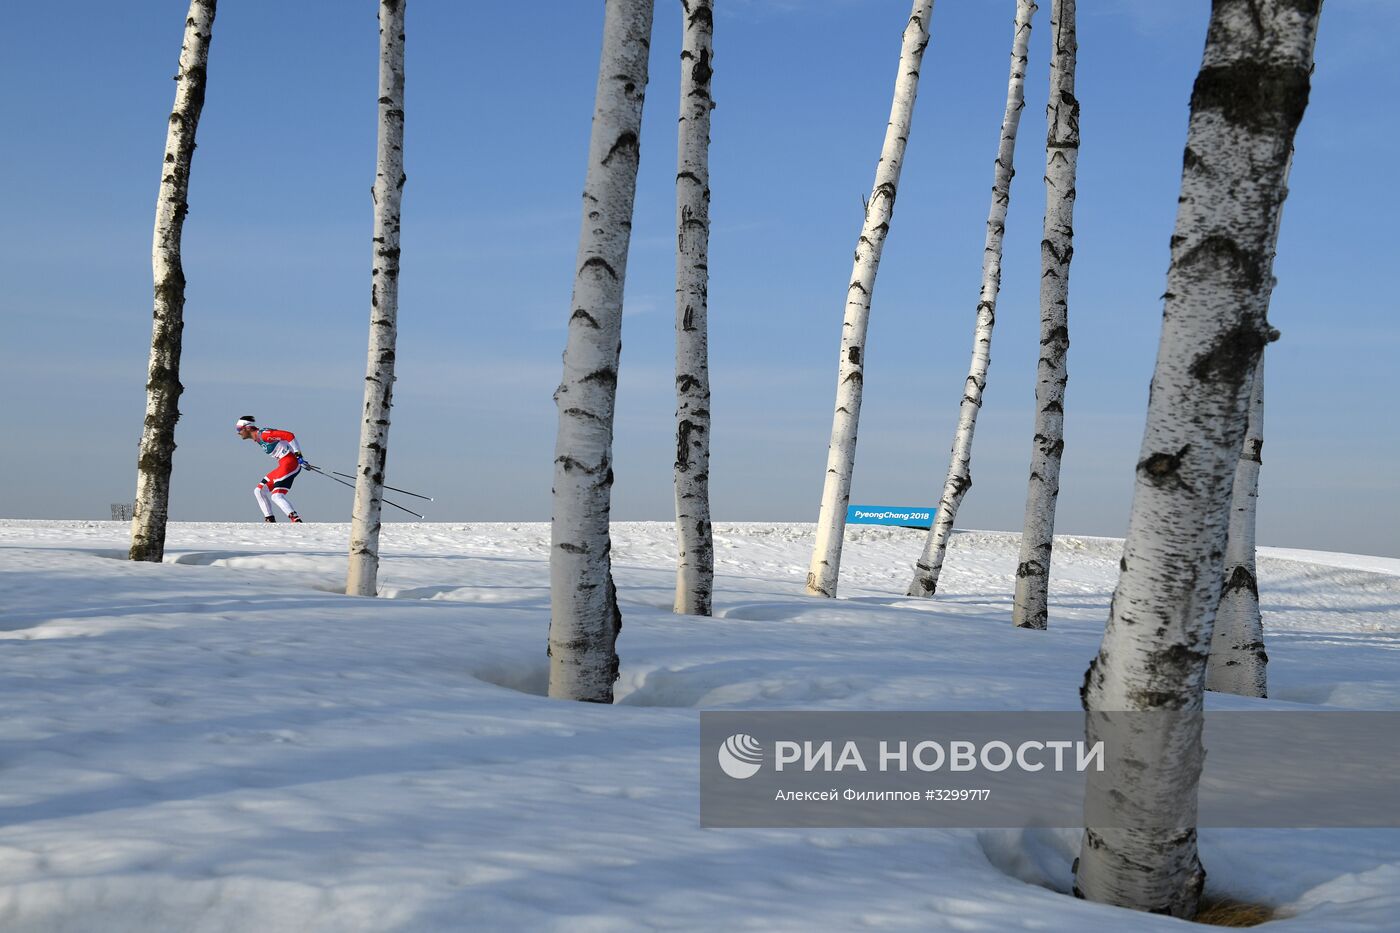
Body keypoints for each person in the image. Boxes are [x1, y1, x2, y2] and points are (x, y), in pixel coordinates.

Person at [235, 416, 309, 523]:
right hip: (283, 464)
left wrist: (299, 456)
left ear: (248, 428)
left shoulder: (265, 435)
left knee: (276, 496)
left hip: (290, 463)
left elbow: (289, 436)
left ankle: (296, 520)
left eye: (239, 429)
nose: (238, 432)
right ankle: (270, 520)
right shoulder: (259, 438)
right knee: (259, 491)